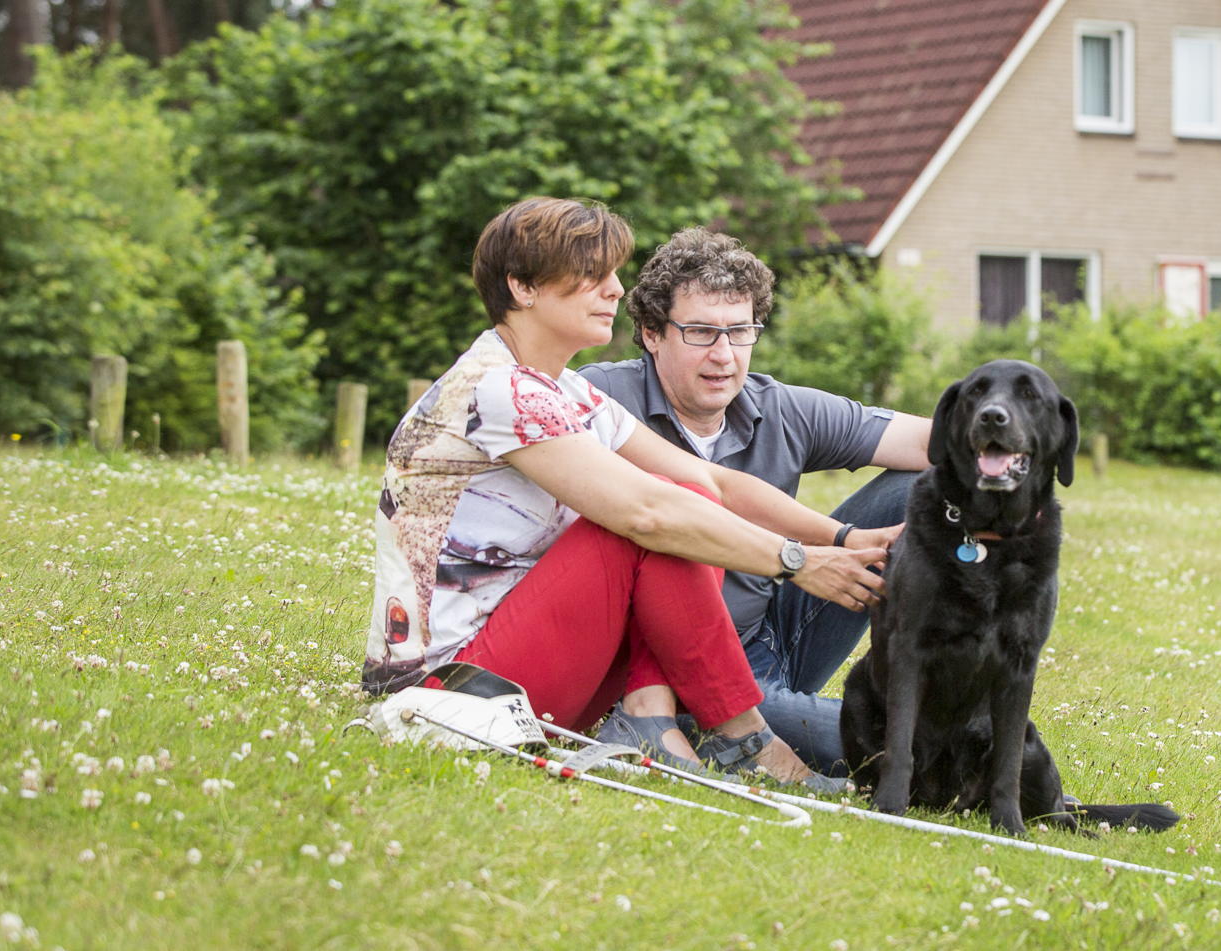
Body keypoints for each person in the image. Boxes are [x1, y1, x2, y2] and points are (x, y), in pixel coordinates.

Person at [361, 198, 898, 792]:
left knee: (684, 497)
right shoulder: (497, 389)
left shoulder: (560, 388)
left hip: (536, 662)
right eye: (592, 276)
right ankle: (739, 736)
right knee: (651, 516)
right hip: (456, 691)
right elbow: (647, 511)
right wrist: (796, 561)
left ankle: (663, 722)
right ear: (522, 287)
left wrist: (842, 539)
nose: (615, 290)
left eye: (613, 274)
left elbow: (710, 480)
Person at [578, 229, 931, 773]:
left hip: (772, 635)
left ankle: (935, 683)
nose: (724, 355)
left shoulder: (779, 407)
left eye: (740, 331)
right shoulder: (601, 399)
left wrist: (1012, 453)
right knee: (880, 747)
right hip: (666, 672)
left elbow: (930, 442)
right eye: (700, 332)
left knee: (917, 488)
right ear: (651, 333)